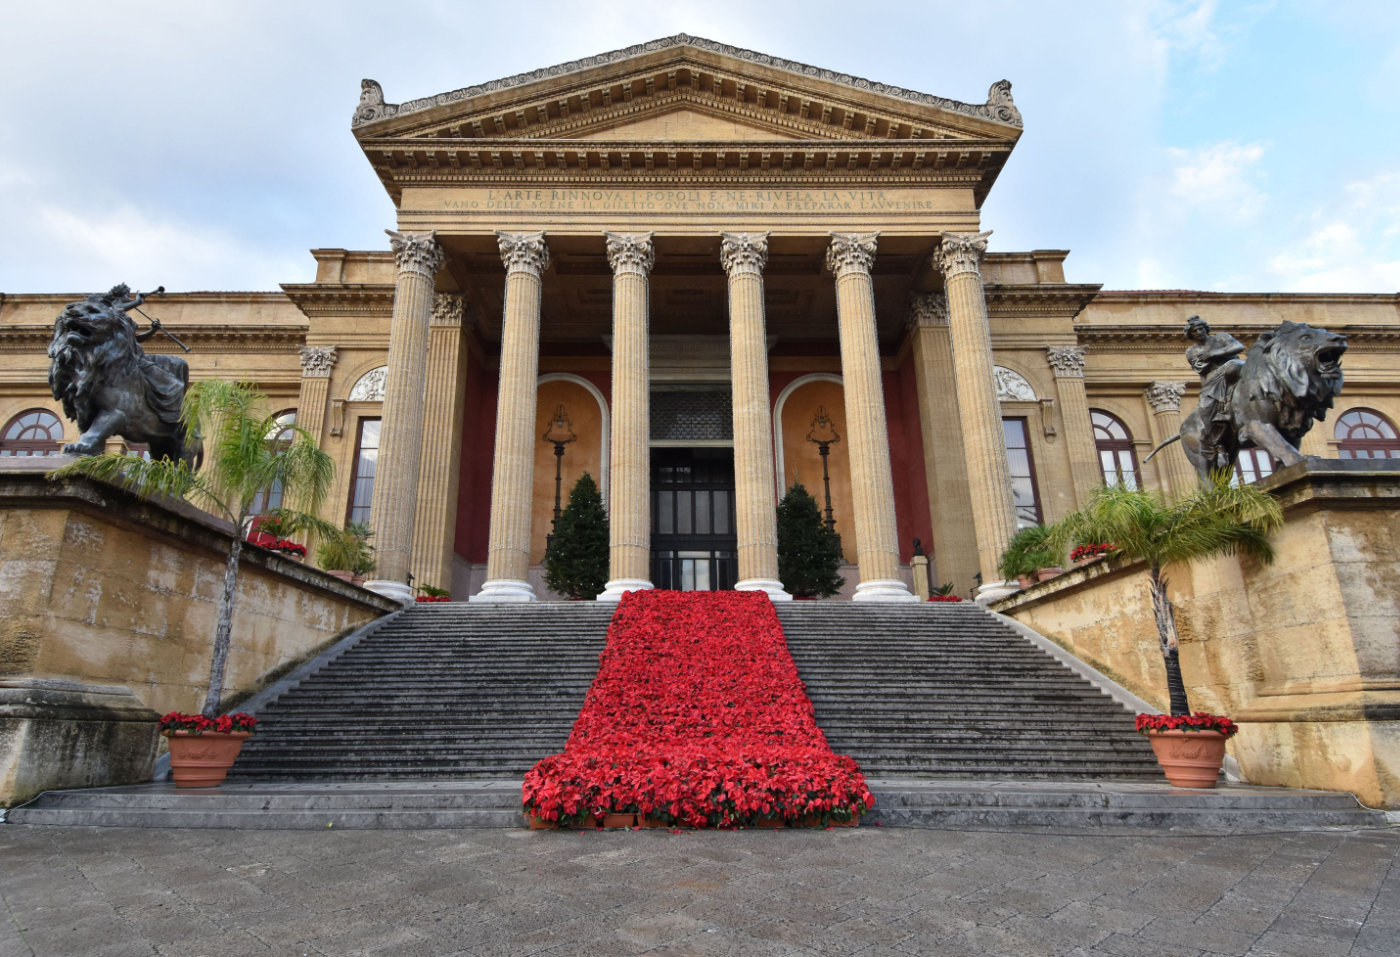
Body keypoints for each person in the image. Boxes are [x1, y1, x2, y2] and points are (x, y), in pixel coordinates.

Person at [1184, 316, 1244, 469]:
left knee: (1234, 366)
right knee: (1205, 409)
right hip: (1212, 379)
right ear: (1191, 335)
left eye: (1201, 328)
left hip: (1234, 368)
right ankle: (1216, 444)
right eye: (1195, 331)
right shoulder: (1192, 352)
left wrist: (1212, 354)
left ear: (1206, 328)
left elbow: (1238, 347)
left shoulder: (1221, 337)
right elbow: (1201, 370)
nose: (1199, 332)